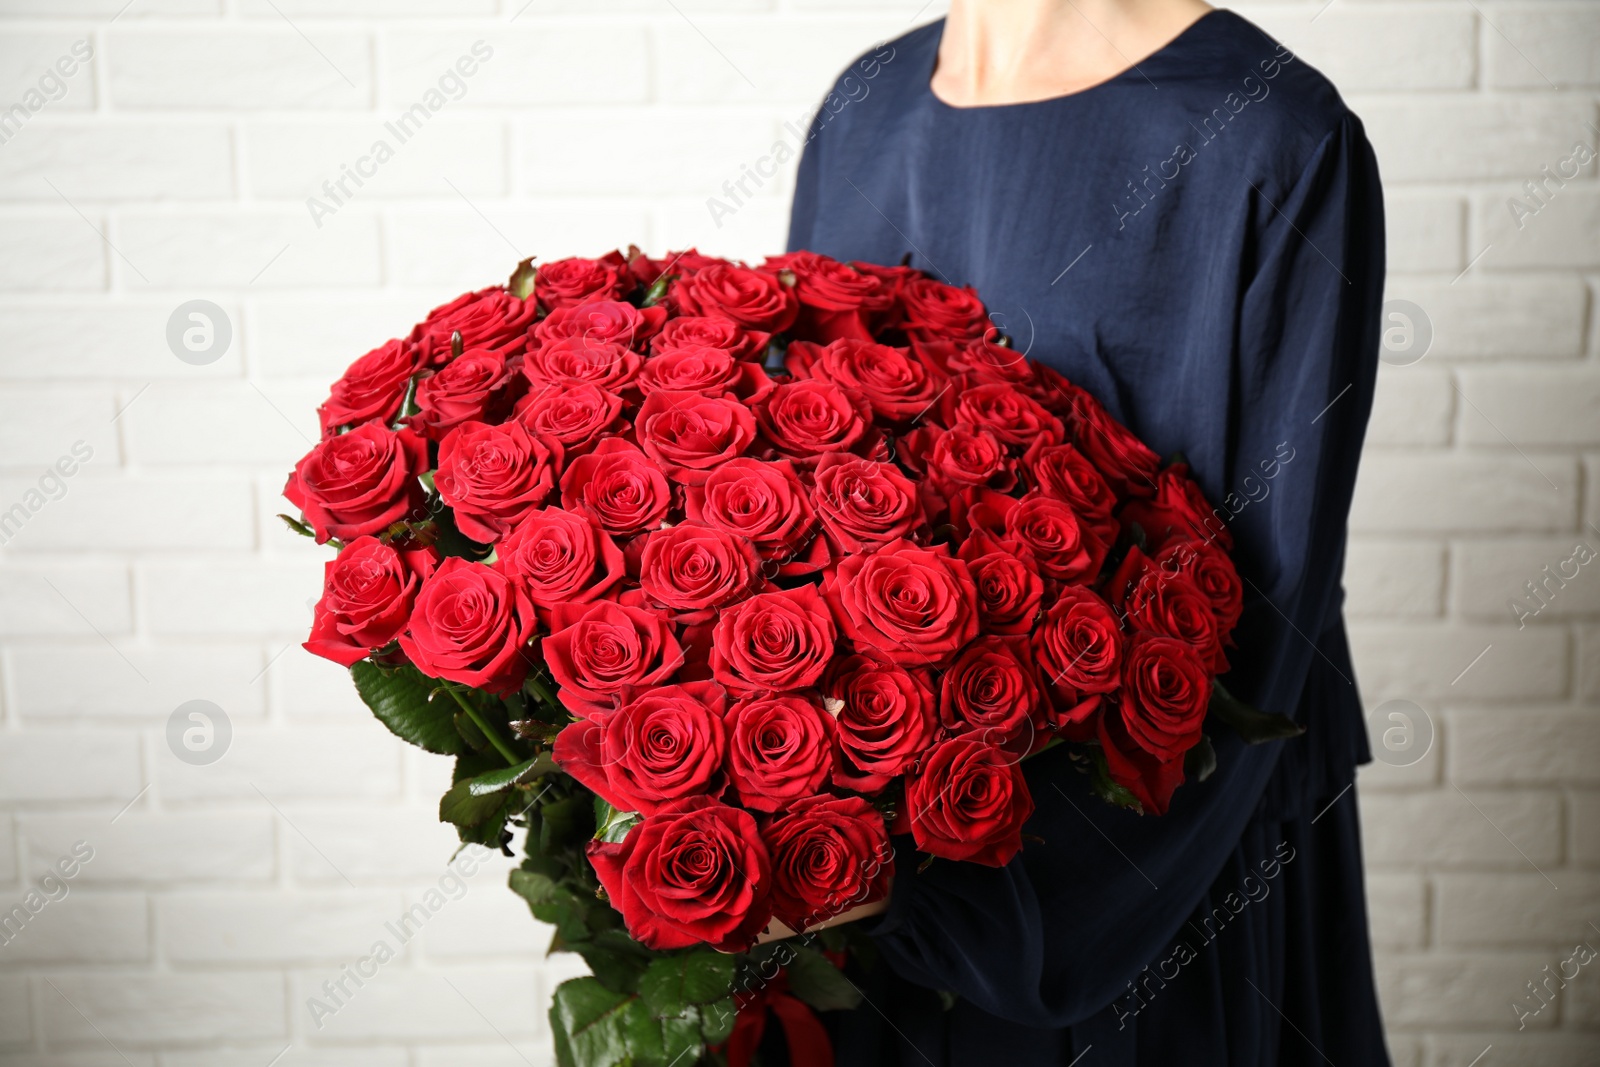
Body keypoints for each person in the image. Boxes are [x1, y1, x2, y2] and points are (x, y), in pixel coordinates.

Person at [784, 1, 1389, 1064]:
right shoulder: (862, 107)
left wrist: (981, 910)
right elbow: (793, 489)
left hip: (1150, 862)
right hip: (869, 862)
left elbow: (1269, 599)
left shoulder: (1268, 133)